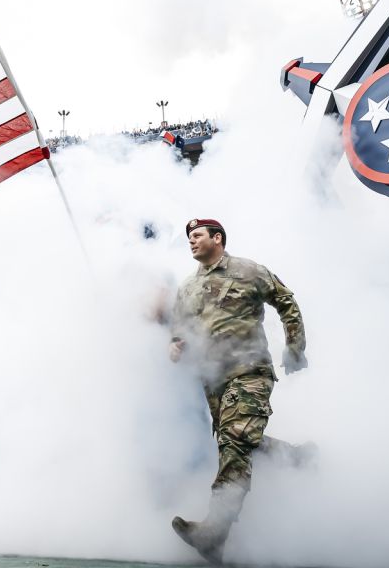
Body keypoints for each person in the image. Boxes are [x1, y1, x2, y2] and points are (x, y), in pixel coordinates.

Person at [166, 218, 306, 563]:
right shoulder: (187, 287)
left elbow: (286, 301)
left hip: (250, 372)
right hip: (213, 380)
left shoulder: (248, 270)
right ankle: (297, 458)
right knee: (242, 441)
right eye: (188, 237)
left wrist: (295, 347)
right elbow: (180, 327)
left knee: (234, 441)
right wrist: (177, 344)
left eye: (197, 235)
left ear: (218, 238)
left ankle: (214, 532)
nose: (191, 241)